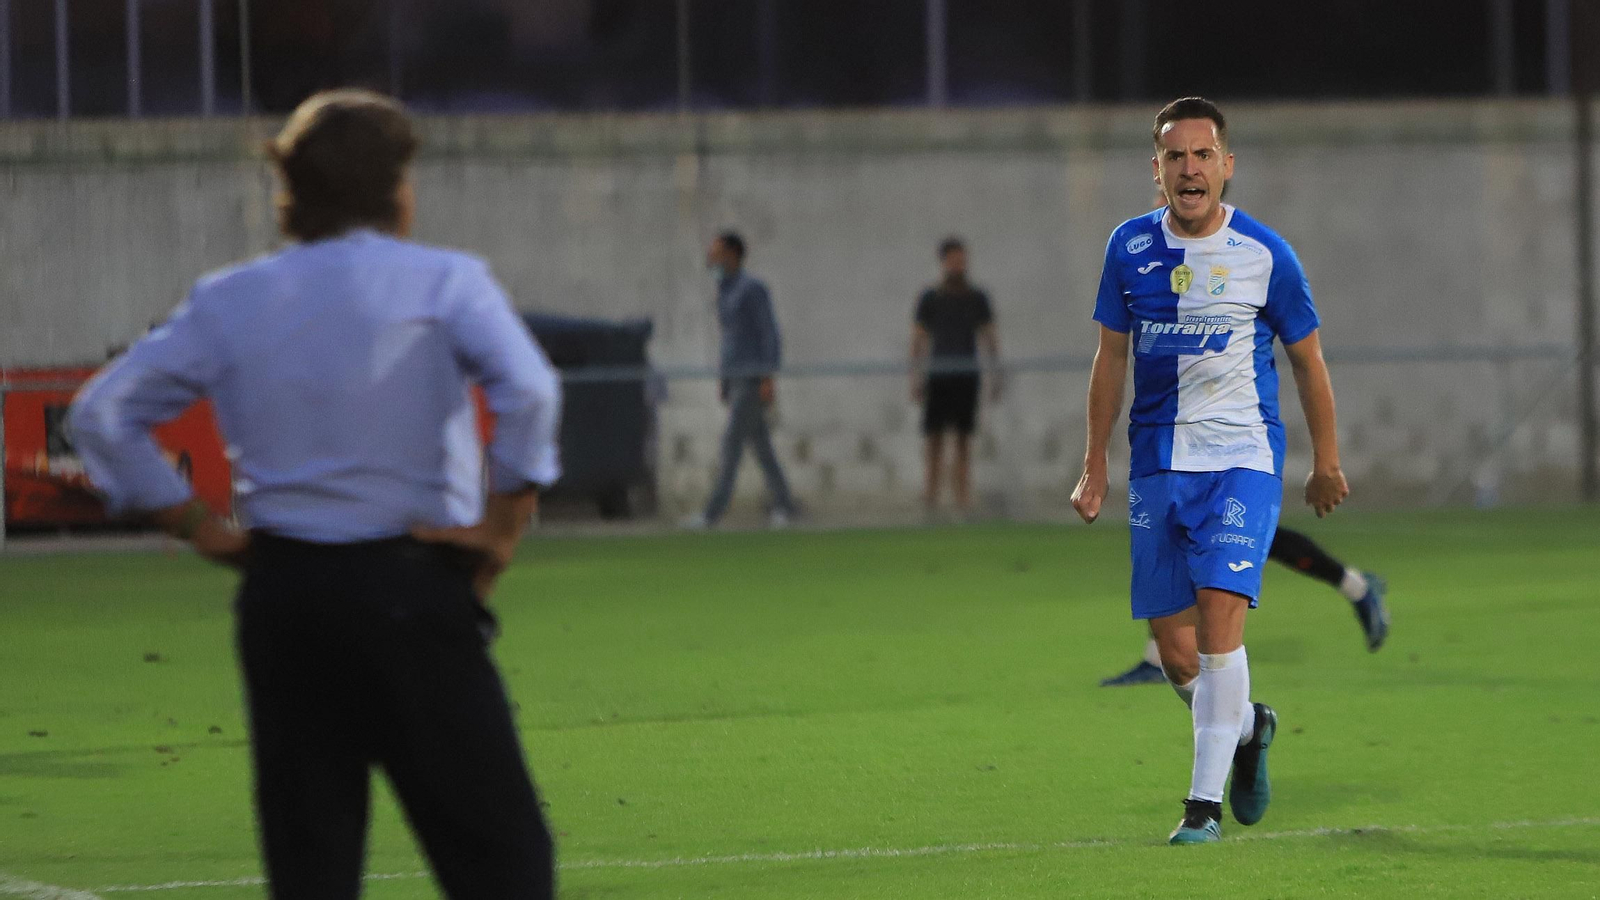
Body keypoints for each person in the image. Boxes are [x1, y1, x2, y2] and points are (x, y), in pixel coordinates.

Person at [68, 90, 561, 898]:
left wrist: (198, 525)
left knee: (312, 870)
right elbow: (531, 392)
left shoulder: (231, 297)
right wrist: (502, 526)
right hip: (411, 592)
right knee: (500, 862)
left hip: (286, 596)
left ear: (291, 192)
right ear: (396, 189)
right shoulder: (445, 281)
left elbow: (102, 414)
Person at [1071, 97, 1348, 844]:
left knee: (1222, 623)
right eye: (1174, 157)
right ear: (1155, 170)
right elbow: (1110, 357)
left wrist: (1326, 460)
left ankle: (1202, 808)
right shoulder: (1127, 249)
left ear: (1227, 165)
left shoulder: (1266, 254)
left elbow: (1308, 359)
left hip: (1241, 461)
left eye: (1202, 156)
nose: (1189, 169)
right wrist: (1094, 463)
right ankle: (1251, 726)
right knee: (1176, 654)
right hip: (1158, 463)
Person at [1101, 527, 1389, 686]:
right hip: (1205, 442)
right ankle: (1158, 659)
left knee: (1248, 534)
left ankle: (1358, 587)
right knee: (1188, 531)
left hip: (1243, 441)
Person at [683, 231, 799, 529]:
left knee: (731, 445)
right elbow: (729, 340)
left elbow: (767, 331)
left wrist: (767, 376)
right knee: (761, 447)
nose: (712, 258)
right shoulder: (724, 290)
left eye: (718, 252)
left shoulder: (752, 289)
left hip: (750, 378)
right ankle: (785, 504)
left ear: (733, 254)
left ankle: (712, 513)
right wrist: (723, 381)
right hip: (734, 378)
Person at [910, 237, 1002, 518]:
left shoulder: (977, 298)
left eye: (962, 259)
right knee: (934, 439)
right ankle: (931, 498)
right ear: (943, 262)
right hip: (938, 376)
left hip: (966, 376)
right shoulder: (931, 299)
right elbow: (918, 339)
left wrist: (995, 373)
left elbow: (989, 337)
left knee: (963, 439)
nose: (958, 264)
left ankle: (963, 498)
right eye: (953, 259)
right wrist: (916, 376)